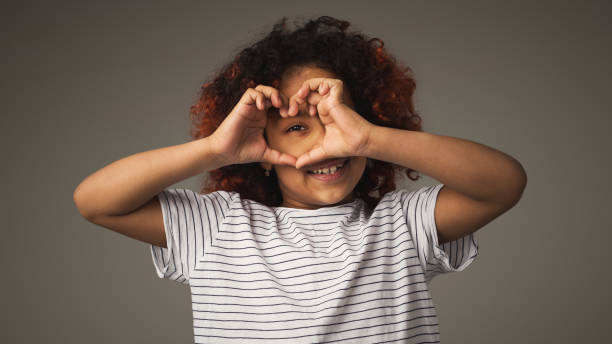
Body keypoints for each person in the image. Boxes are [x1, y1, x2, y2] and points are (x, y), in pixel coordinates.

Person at [73, 15, 526, 343]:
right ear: (260, 152)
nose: (325, 146)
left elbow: (504, 183)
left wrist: (369, 137)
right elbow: (96, 201)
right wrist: (215, 147)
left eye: (339, 125)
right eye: (296, 128)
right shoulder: (219, 228)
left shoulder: (401, 225)